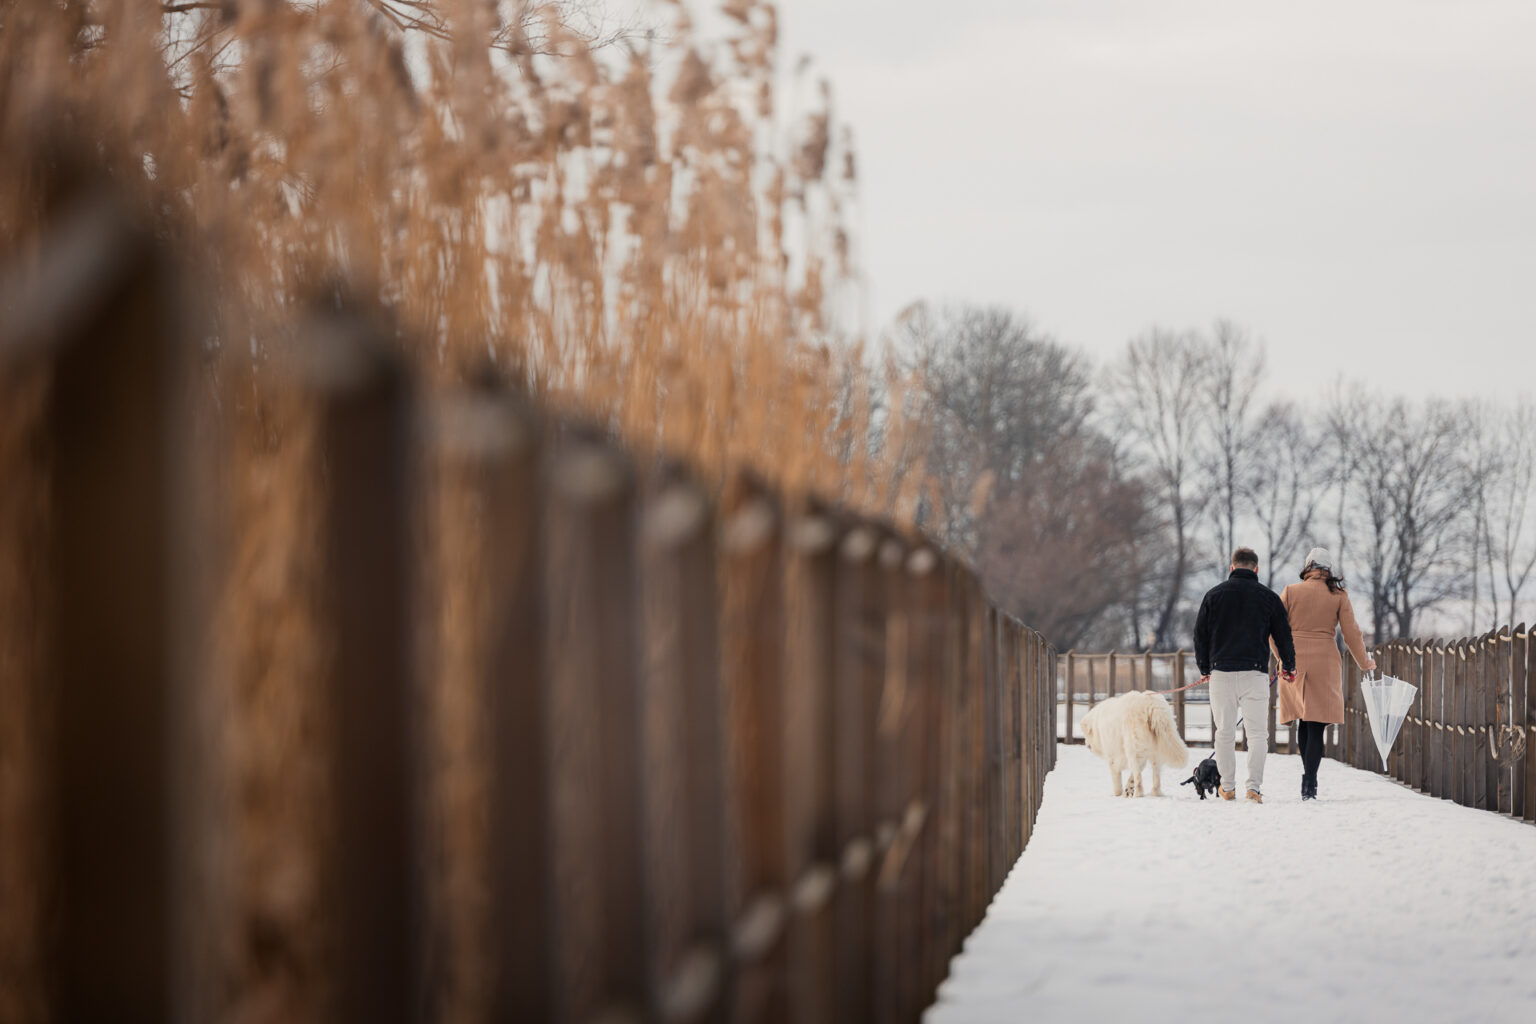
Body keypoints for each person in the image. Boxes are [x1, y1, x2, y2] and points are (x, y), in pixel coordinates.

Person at [1193, 547, 1296, 803]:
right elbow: (1283, 635)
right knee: (1258, 734)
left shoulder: (1213, 595)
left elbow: (1200, 635)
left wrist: (1205, 668)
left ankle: (1227, 787)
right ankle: (1254, 788)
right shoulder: (1268, 598)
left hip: (1221, 672)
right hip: (1255, 673)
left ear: (1232, 567)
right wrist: (1289, 665)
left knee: (1224, 732)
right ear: (1256, 568)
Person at [1275, 547, 1375, 800]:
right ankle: (1311, 781)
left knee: (1301, 718)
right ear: (1328, 568)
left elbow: (1273, 629)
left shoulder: (1290, 591)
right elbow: (1352, 633)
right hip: (1325, 660)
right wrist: (1365, 663)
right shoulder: (1339, 595)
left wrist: (1282, 660)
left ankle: (1306, 778)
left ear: (1308, 566)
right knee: (1316, 724)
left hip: (1294, 658)